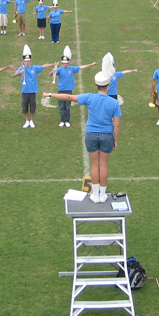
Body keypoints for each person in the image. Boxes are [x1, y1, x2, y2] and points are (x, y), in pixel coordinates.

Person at [45, 72, 121, 203]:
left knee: (94, 165)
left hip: (91, 135)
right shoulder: (114, 102)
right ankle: (102, 195)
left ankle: (95, 195)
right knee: (103, 165)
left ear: (97, 85)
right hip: (106, 136)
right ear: (108, 85)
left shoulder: (90, 97)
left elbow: (68, 97)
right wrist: (116, 140)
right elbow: (117, 124)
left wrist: (50, 94)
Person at [49, 48, 96, 127]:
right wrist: (52, 72)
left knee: (67, 106)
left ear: (68, 62)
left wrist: (91, 64)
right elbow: (50, 75)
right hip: (61, 90)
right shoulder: (59, 70)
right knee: (61, 107)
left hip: (69, 91)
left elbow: (81, 67)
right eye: (64, 63)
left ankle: (67, 120)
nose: (65, 64)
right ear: (62, 63)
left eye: (66, 63)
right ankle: (62, 120)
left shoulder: (72, 69)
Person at [13, 45, 53, 128]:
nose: (27, 63)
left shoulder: (34, 68)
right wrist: (20, 72)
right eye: (26, 61)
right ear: (24, 62)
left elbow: (44, 66)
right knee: (25, 106)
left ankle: (31, 120)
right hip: (24, 91)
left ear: (30, 62)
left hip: (32, 91)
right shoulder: (21, 68)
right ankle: (26, 121)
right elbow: (14, 75)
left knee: (32, 106)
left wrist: (54, 64)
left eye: (28, 61)